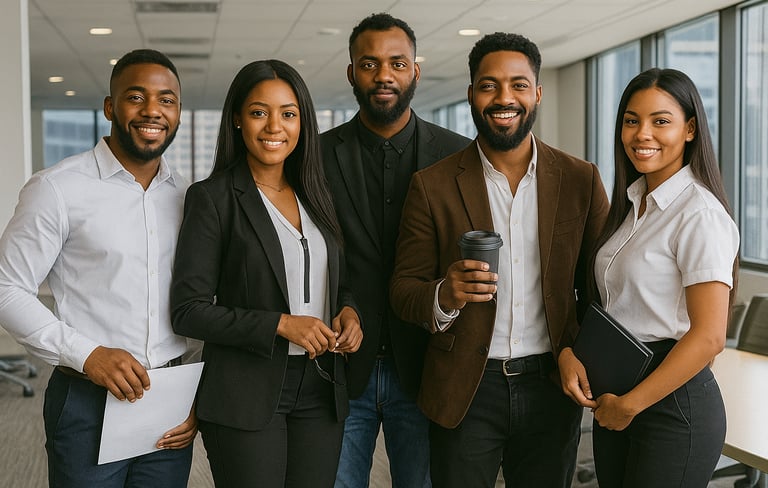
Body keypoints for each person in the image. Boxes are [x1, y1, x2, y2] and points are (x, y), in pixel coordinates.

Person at [389, 32, 610, 488]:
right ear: (471, 95)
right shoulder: (432, 185)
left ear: (537, 93)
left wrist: (582, 355)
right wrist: (443, 295)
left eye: (518, 85)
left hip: (552, 381)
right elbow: (403, 289)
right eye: (489, 86)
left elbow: (602, 289)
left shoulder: (579, 179)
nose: (504, 98)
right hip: (467, 389)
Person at [0, 49, 196, 487]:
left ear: (178, 112)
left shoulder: (189, 196)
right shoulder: (58, 188)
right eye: (136, 97)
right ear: (110, 107)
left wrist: (196, 392)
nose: (152, 111)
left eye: (167, 100)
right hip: (87, 400)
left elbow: (199, 298)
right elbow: (7, 287)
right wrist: (88, 354)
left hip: (170, 401)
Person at [169, 59, 363, 488]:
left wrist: (348, 310)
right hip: (247, 392)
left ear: (302, 122)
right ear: (238, 120)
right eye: (259, 112)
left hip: (321, 385)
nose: (274, 126)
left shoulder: (318, 193)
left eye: (288, 114)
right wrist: (280, 324)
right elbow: (188, 311)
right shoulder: (213, 198)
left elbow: (336, 279)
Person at [558, 68, 740, 487]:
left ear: (690, 129)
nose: (642, 134)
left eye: (661, 121)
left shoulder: (699, 213)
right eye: (631, 120)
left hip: (670, 403)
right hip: (618, 392)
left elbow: (709, 337)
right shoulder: (633, 205)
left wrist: (632, 404)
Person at [321, 12, 470, 488]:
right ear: (351, 72)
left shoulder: (459, 157)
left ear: (415, 71)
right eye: (369, 64)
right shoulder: (315, 158)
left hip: (428, 364)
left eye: (397, 63)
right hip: (341, 368)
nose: (384, 75)